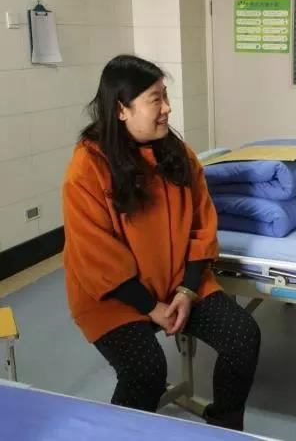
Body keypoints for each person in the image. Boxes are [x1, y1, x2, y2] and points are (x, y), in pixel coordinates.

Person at [62, 55, 260, 431]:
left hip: (178, 284)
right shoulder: (87, 169)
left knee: (242, 336)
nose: (167, 108)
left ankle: (224, 428)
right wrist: (150, 307)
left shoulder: (177, 155)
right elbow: (97, 258)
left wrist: (187, 289)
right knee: (146, 370)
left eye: (165, 96)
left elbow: (202, 228)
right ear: (121, 110)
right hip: (114, 297)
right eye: (156, 99)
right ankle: (121, 434)